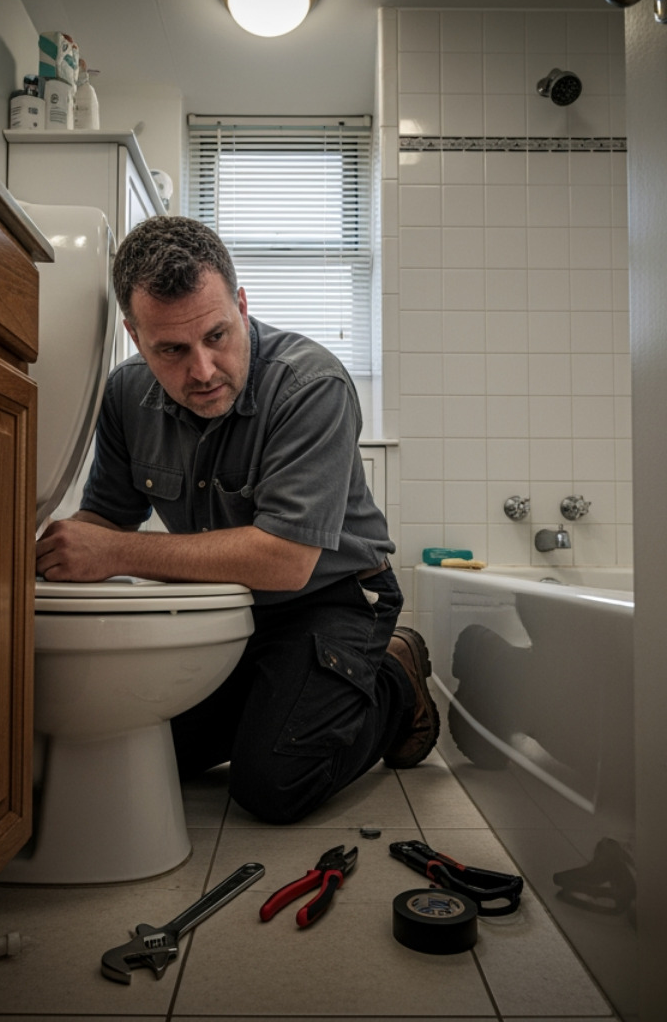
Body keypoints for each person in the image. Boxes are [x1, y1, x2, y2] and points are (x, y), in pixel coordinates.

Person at [34, 215, 438, 824]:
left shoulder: (311, 385)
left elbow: (285, 560)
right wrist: (46, 559)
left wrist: (113, 554)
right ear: (135, 336)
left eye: (217, 335)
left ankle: (395, 681)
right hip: (229, 605)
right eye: (172, 349)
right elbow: (105, 522)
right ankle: (277, 697)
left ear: (242, 306)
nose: (202, 371)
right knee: (141, 743)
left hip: (332, 597)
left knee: (274, 784)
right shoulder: (124, 395)